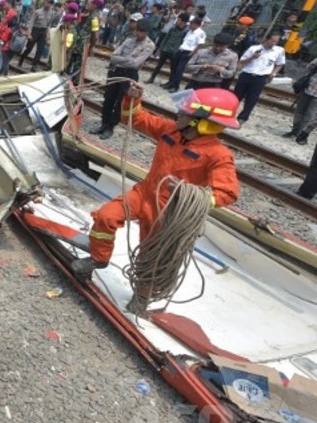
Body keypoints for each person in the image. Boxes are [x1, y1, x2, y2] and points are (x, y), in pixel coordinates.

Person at [71, 82, 240, 278]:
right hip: (144, 193)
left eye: (185, 113)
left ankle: (142, 297)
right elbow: (135, 118)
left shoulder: (218, 155)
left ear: (199, 122)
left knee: (150, 256)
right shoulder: (171, 131)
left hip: (167, 210)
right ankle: (99, 258)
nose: (179, 114)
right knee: (106, 216)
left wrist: (189, 194)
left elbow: (228, 193)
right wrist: (132, 98)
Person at [91, 19, 156, 140]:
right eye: (138, 30)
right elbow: (113, 57)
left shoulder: (149, 45)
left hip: (130, 76)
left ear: (147, 32)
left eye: (142, 32)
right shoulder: (128, 40)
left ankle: (110, 127)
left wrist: (122, 59)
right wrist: (127, 60)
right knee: (108, 99)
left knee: (120, 103)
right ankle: (103, 124)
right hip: (116, 72)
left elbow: (136, 64)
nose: (139, 33)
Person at [235, 32, 285, 124]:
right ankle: (229, 113)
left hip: (260, 77)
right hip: (246, 74)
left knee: (252, 99)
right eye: (272, 41)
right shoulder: (254, 48)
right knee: (236, 96)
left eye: (276, 42)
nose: (273, 43)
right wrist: (252, 57)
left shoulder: (279, 51)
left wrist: (273, 73)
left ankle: (243, 118)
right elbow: (241, 62)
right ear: (266, 39)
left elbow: (280, 64)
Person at [161, 17, 206, 92]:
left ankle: (175, 86)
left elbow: (200, 45)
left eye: (191, 24)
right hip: (181, 50)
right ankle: (170, 83)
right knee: (173, 68)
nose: (189, 25)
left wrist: (192, 54)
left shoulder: (200, 33)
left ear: (196, 25)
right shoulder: (190, 31)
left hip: (188, 53)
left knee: (179, 70)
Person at [147, 14, 188, 84]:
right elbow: (166, 38)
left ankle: (170, 82)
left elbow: (183, 42)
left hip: (174, 52)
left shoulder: (186, 31)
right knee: (158, 65)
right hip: (165, 49)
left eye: (178, 20)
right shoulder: (173, 28)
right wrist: (161, 48)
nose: (177, 21)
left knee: (173, 68)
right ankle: (151, 78)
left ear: (183, 22)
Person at [286, 58, 317, 145]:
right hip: (309, 89)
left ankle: (296, 132)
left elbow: (309, 67)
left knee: (300, 112)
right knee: (308, 114)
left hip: (308, 88)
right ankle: (299, 133)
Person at [18, 0, 54, 69]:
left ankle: (34, 65)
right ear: (45, 3)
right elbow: (31, 23)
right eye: (48, 3)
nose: (49, 5)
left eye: (50, 4)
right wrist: (29, 33)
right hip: (35, 30)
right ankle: (21, 59)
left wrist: (48, 35)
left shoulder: (51, 13)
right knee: (29, 48)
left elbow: (49, 25)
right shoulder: (38, 12)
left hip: (43, 31)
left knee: (40, 49)